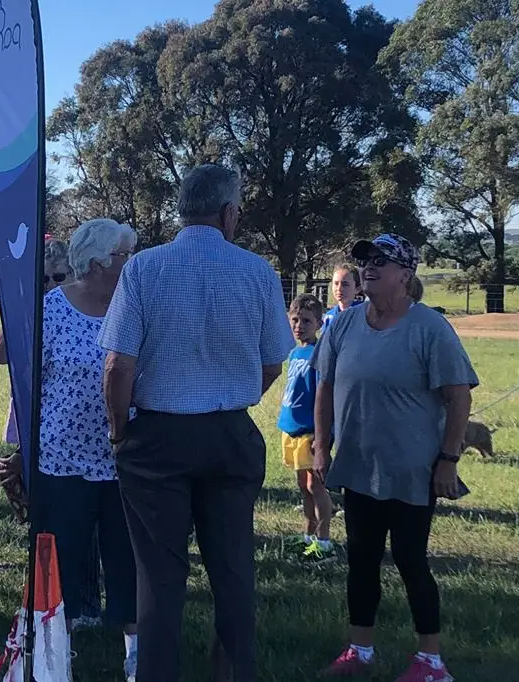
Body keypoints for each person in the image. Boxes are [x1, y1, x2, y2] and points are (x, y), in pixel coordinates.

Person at [100, 164, 289, 682]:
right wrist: (234, 395)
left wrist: (120, 431)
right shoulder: (257, 272)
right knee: (233, 572)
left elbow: (118, 365)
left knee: (158, 579)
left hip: (157, 436)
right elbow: (274, 363)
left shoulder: (144, 268)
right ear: (229, 213)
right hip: (230, 433)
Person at [311, 234, 477, 682]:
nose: (369, 267)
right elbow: (324, 386)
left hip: (412, 468)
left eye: (382, 261)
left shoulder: (429, 328)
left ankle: (431, 662)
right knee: (361, 557)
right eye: (365, 260)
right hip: (360, 465)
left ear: (406, 275)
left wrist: (449, 458)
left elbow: (457, 396)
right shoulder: (344, 325)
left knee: (409, 559)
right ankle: (359, 649)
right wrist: (322, 445)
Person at [24, 218, 141, 678]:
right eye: (121, 255)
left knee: (128, 560)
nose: (128, 263)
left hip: (122, 459)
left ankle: (135, 657)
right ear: (95, 263)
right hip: (61, 461)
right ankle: (54, 656)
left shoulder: (134, 308)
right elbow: (18, 370)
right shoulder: (51, 309)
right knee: (59, 562)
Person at [0, 237, 72, 521]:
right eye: (43, 278)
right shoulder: (32, 308)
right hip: (31, 404)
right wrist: (21, 305)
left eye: (59, 277)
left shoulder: (84, 310)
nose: (50, 284)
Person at [279, 293, 333, 561]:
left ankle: (325, 542)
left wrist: (323, 436)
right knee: (303, 485)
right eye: (296, 320)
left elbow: (324, 397)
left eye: (307, 321)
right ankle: (308, 535)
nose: (300, 325)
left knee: (316, 487)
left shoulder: (319, 355)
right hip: (292, 429)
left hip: (310, 431)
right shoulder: (295, 352)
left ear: (319, 323)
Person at [323, 262, 361, 329]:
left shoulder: (364, 314)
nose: (339, 288)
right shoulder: (329, 316)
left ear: (357, 288)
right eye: (336, 283)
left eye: (345, 284)